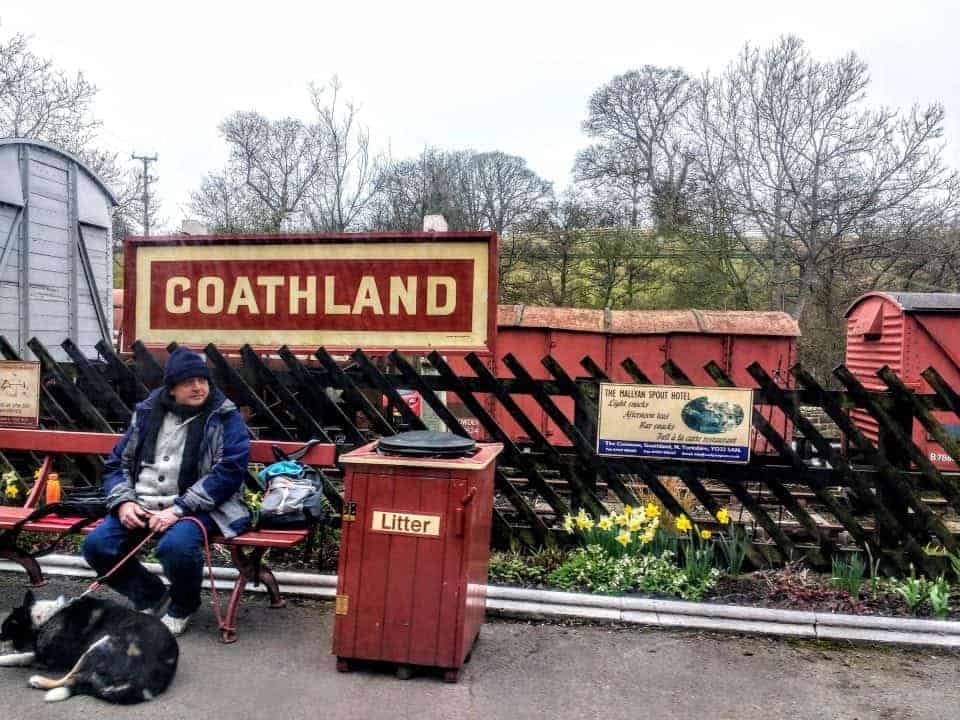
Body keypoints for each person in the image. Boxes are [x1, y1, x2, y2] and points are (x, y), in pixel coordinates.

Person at [82, 347, 251, 636]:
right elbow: (116, 465)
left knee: (176, 548)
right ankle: (150, 595)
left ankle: (183, 606)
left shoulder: (224, 415)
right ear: (171, 389)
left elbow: (230, 470)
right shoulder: (147, 413)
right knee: (96, 546)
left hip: (201, 507)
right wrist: (124, 503)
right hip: (142, 502)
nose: (198, 387)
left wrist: (178, 510)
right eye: (188, 382)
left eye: (203, 380)